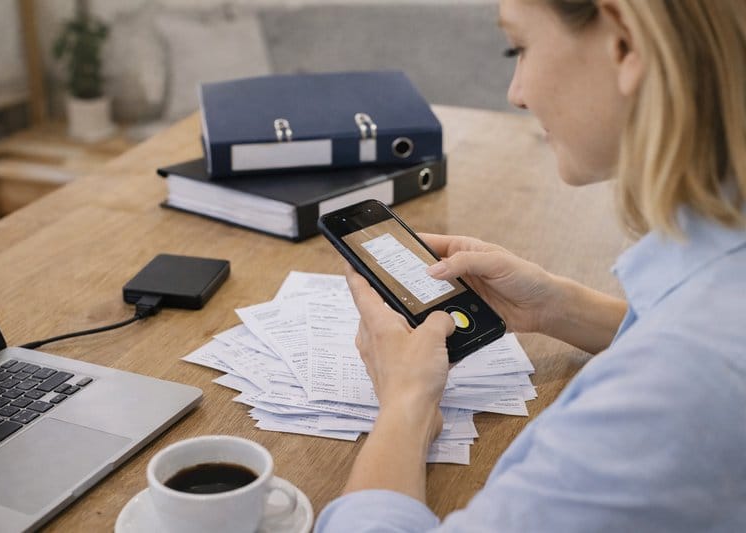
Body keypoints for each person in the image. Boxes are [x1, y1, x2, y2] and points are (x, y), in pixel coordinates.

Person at [315, 0, 746, 531]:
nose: (515, 94)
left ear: (625, 43)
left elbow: (697, 368)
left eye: (518, 47)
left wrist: (405, 404)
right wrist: (562, 308)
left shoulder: (674, 391)